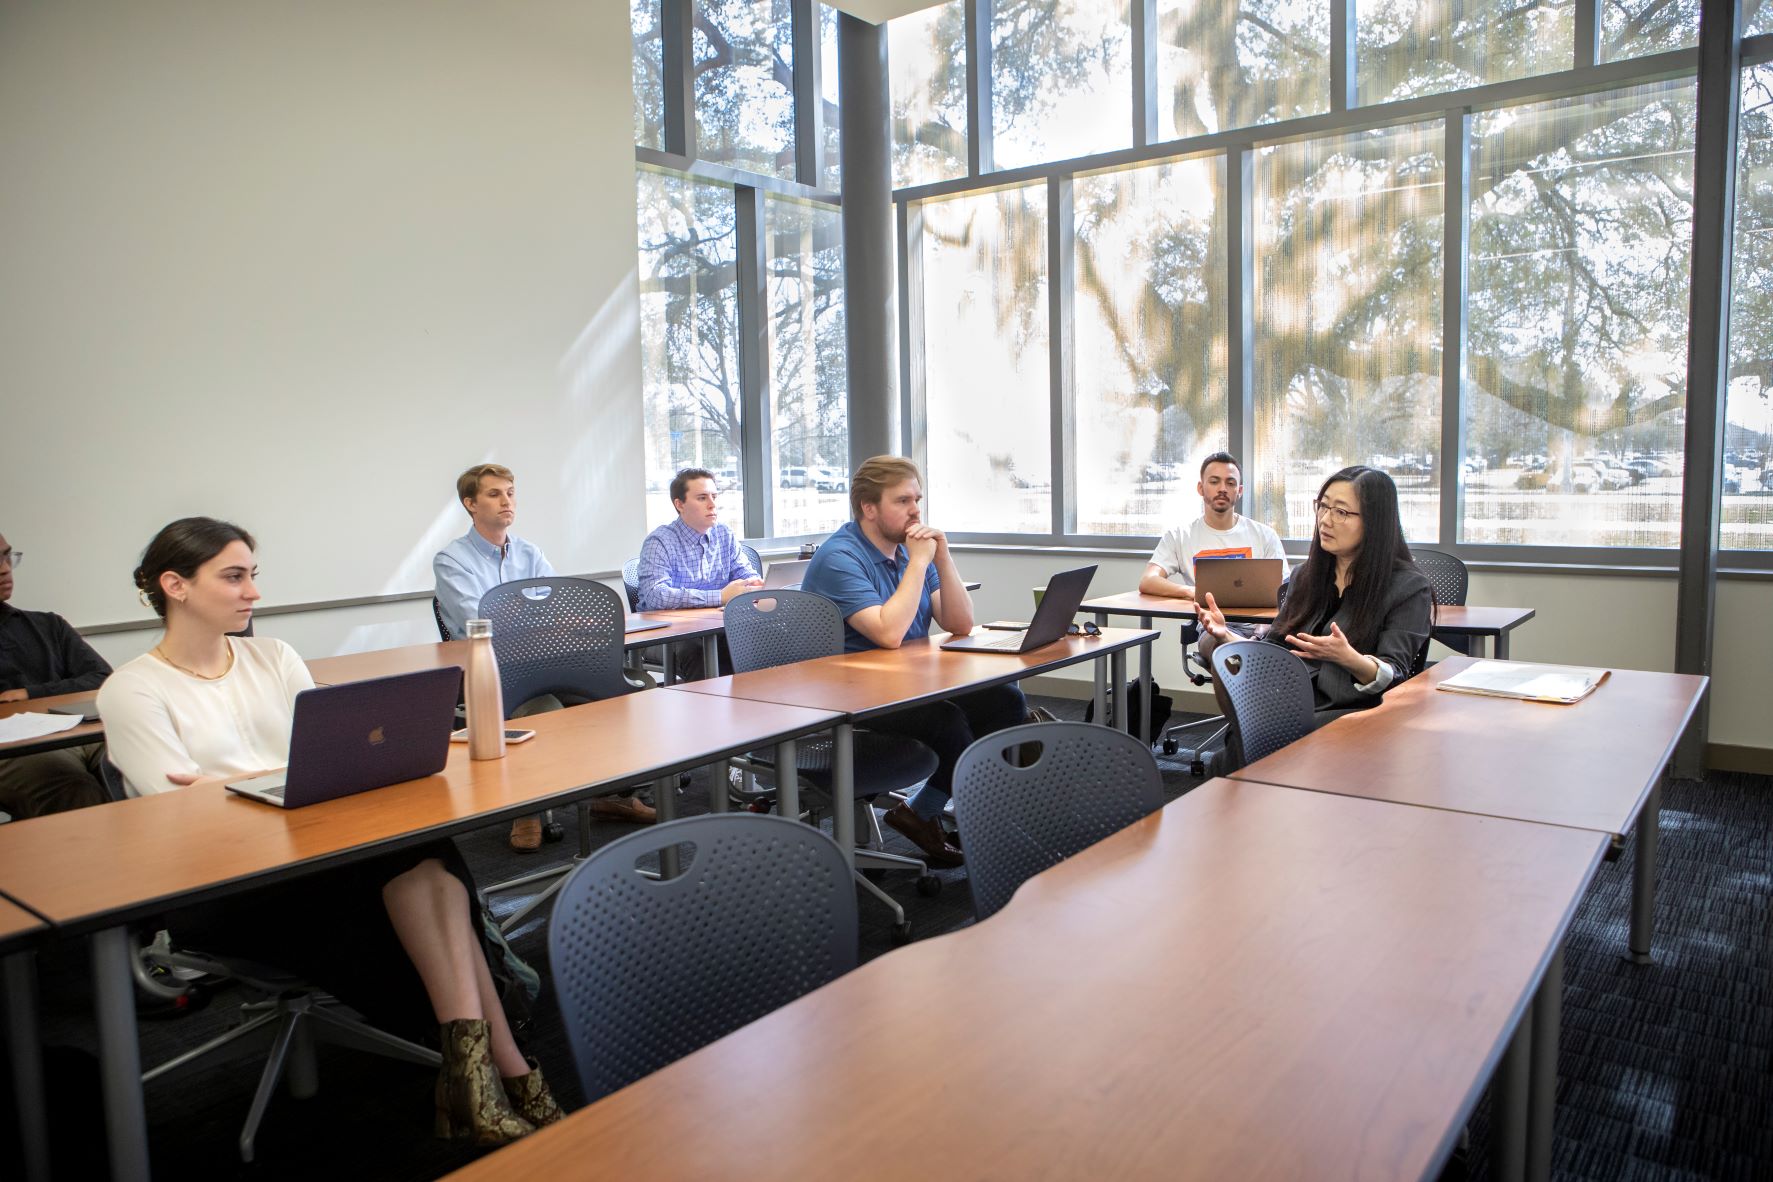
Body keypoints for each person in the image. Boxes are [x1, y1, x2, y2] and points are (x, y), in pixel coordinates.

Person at [98, 517, 562, 1147]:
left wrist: (239, 782)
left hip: (316, 850)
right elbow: (174, 813)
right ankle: (504, 1072)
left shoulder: (275, 657)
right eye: (233, 577)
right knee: (423, 867)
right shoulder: (132, 689)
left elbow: (330, 753)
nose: (253, 592)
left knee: (424, 858)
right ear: (174, 585)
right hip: (224, 883)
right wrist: (281, 778)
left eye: (252, 576)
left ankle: (480, 1073)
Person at [800, 457, 1025, 868]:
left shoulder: (908, 552)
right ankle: (933, 816)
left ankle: (919, 813)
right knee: (948, 723)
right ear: (869, 508)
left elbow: (959, 622)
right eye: (903, 500)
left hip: (907, 684)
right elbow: (889, 634)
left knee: (1005, 701)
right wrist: (919, 562)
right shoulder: (840, 557)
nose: (916, 511)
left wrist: (942, 558)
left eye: (917, 499)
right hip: (852, 697)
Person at [434, 463, 653, 845]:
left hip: (548, 659)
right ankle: (527, 810)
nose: (507, 501)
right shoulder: (452, 560)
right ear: (470, 503)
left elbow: (552, 610)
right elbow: (480, 622)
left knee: (619, 701)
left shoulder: (529, 552)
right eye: (494, 494)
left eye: (510, 493)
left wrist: (526, 615)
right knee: (547, 713)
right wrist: (535, 616)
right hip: (497, 673)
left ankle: (610, 796)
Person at [1196, 466, 1433, 755]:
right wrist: (1226, 636)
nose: (1325, 520)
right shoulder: (1307, 576)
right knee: (1219, 652)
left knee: (1248, 745)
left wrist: (1348, 658)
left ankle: (1255, 746)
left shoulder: (1408, 587)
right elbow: (1274, 649)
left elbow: (1394, 674)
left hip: (1351, 707)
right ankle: (1254, 744)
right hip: (1290, 696)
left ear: (1375, 521)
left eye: (1341, 512)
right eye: (1322, 507)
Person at [0, 532, 112, 818]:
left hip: (78, 734)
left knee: (141, 765)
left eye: (6, 556)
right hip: (12, 750)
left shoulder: (48, 625)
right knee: (74, 790)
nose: (4, 568)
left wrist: (30, 694)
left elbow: (102, 677)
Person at [635, 467, 761, 680]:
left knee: (767, 636)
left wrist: (755, 586)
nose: (712, 504)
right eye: (702, 498)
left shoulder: (724, 534)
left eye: (714, 496)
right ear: (679, 504)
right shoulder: (660, 541)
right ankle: (713, 712)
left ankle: (753, 709)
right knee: (700, 651)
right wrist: (719, 596)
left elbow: (746, 577)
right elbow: (656, 595)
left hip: (715, 627)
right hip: (667, 635)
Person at [1138, 451, 1288, 601]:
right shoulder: (1180, 536)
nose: (1222, 489)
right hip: (1206, 622)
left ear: (1239, 491)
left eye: (1230, 483)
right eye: (1214, 481)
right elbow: (1148, 580)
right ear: (1200, 488)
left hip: (1256, 623)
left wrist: (1264, 625)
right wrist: (1191, 592)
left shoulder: (1265, 535)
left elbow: (1284, 590)